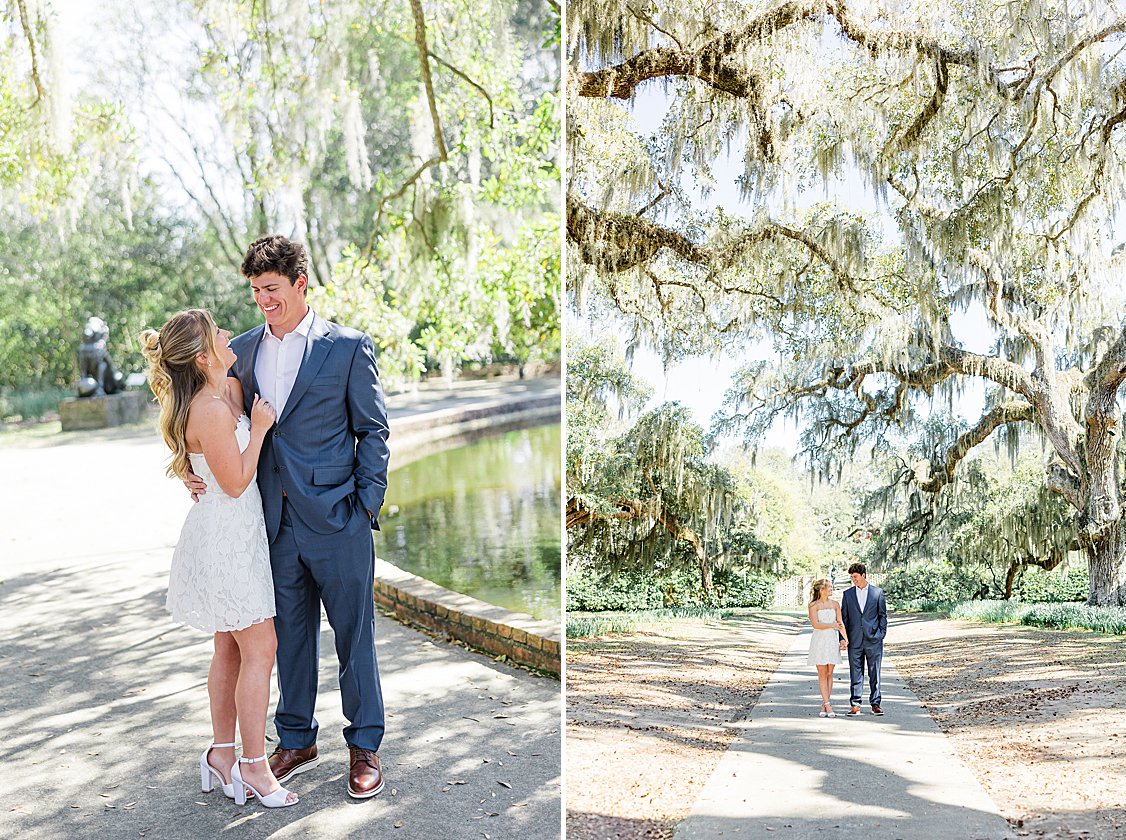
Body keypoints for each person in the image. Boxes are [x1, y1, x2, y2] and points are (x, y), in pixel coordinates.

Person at [187, 235, 391, 799]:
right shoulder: (244, 351)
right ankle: (296, 739)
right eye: (255, 291)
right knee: (287, 640)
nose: (262, 301)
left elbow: (373, 430)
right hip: (271, 525)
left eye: (271, 289)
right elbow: (204, 414)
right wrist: (186, 464)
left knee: (355, 637)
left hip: (339, 519)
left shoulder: (348, 347)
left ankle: (364, 746)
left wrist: (365, 504)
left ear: (301, 284)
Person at [140, 309, 298, 808]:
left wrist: (189, 464)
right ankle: (253, 765)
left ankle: (221, 755)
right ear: (204, 355)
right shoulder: (208, 409)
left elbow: (210, 437)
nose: (229, 334)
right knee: (261, 646)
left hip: (233, 535)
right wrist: (260, 431)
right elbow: (233, 483)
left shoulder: (219, 393)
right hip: (228, 540)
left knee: (229, 649)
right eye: (218, 333)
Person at [838, 562, 888, 717]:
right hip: (854, 640)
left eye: (855, 576)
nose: (853, 579)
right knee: (855, 673)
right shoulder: (848, 594)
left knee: (875, 673)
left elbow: (882, 616)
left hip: (874, 639)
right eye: (852, 577)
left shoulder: (877, 592)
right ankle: (855, 704)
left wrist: (881, 634)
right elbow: (843, 619)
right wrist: (842, 638)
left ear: (863, 575)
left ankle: (875, 704)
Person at [807, 578, 847, 717]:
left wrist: (845, 640)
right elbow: (816, 625)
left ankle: (825, 702)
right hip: (819, 640)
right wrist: (832, 625)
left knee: (830, 672)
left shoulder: (835, 604)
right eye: (829, 587)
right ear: (821, 590)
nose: (831, 589)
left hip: (831, 640)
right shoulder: (813, 605)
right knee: (822, 673)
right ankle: (828, 706)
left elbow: (840, 622)